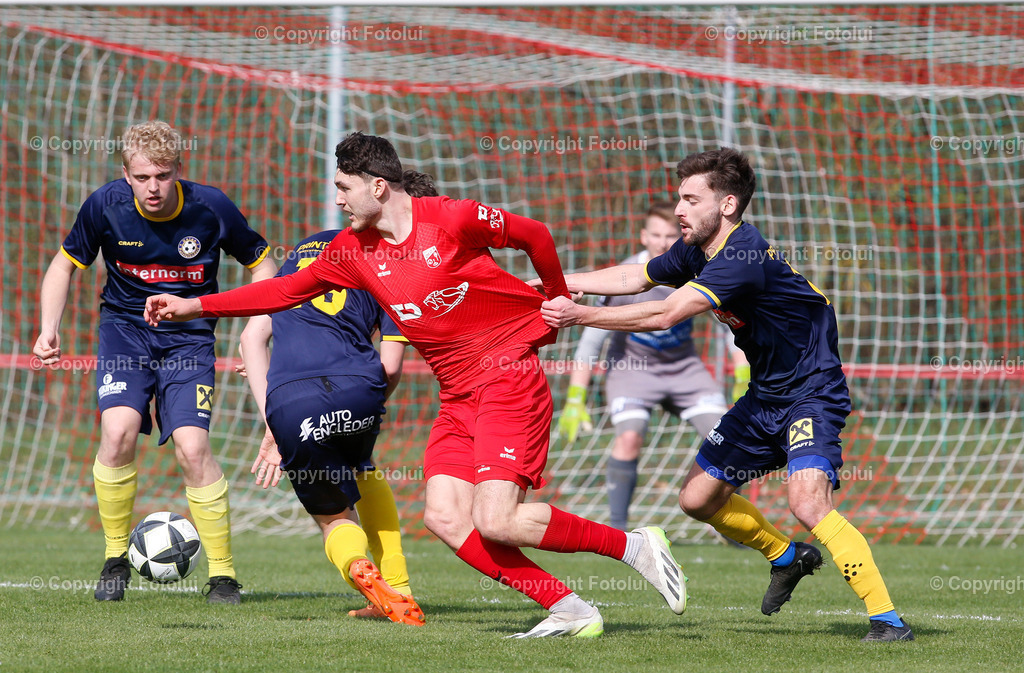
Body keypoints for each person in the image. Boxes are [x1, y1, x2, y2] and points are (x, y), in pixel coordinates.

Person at [144, 131, 687, 638]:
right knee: (445, 519)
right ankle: (569, 609)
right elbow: (283, 292)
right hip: (458, 393)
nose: (338, 200)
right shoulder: (352, 251)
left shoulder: (451, 218)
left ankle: (633, 546)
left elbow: (534, 235)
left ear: (378, 187)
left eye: (344, 188)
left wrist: (557, 295)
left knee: (496, 520)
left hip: (507, 376)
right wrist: (193, 305)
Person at [539, 147, 913, 642]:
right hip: (764, 398)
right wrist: (556, 283)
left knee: (807, 502)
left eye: (691, 200)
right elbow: (637, 276)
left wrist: (580, 315)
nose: (679, 210)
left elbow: (665, 313)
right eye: (679, 198)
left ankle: (888, 622)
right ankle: (787, 557)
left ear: (728, 204)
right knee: (697, 499)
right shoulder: (697, 250)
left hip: (811, 394)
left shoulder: (742, 256)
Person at [32, 120, 277, 604]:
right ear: (126, 174)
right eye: (142, 177)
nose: (153, 187)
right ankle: (114, 560)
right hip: (125, 336)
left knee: (192, 447)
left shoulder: (211, 207)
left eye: (163, 176)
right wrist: (48, 328)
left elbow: (264, 263)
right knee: (117, 432)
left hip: (189, 341)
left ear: (178, 170)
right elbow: (63, 264)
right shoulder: (105, 205)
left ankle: (223, 575)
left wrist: (256, 329)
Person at [238, 212, 435, 625]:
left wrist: (274, 425)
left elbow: (251, 338)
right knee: (363, 468)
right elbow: (391, 367)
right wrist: (369, 403)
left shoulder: (298, 253)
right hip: (359, 387)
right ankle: (399, 588)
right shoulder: (388, 264)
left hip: (292, 401)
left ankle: (358, 566)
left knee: (332, 518)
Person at [557, 202, 739, 531]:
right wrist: (574, 397)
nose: (662, 242)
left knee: (725, 440)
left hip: (684, 370)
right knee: (629, 437)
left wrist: (743, 376)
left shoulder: (698, 272)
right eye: (655, 235)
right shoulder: (624, 278)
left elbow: (729, 328)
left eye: (670, 235)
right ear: (643, 236)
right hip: (632, 371)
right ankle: (619, 531)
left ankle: (731, 525)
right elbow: (591, 341)